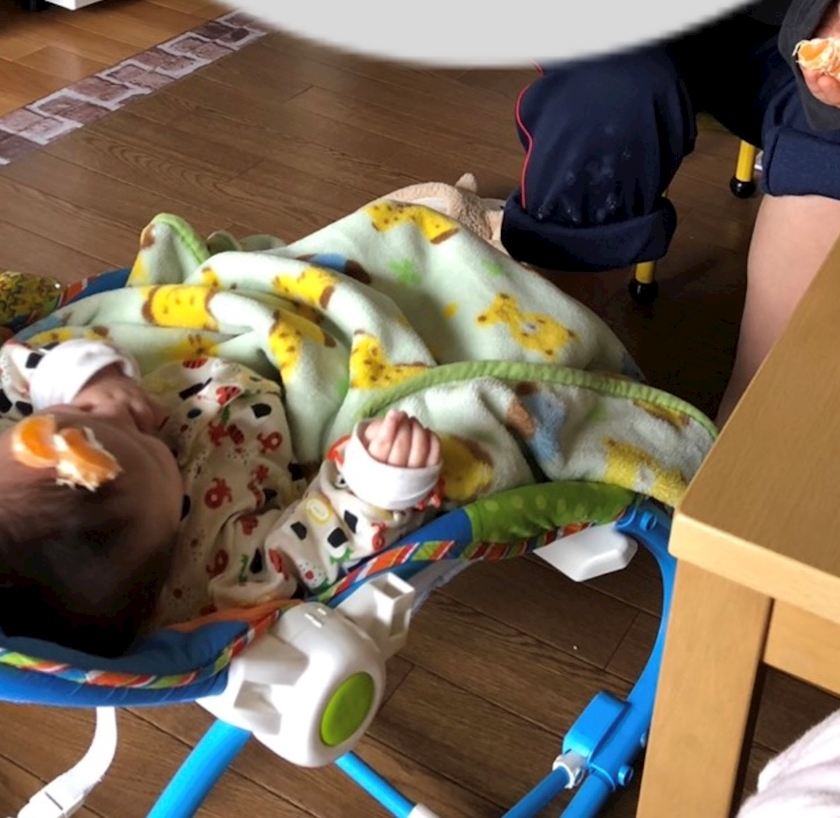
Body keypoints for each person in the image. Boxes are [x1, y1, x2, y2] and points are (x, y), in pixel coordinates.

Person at [499, 0, 840, 425]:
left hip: (787, 31)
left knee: (833, 143)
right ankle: (538, 376)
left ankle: (750, 426)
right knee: (607, 100)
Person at [0, 337, 442, 658]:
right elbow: (318, 547)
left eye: (76, 416)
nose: (118, 414)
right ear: (167, 539)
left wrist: (92, 382)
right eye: (143, 442)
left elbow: (18, 367)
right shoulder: (220, 573)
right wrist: (378, 481)